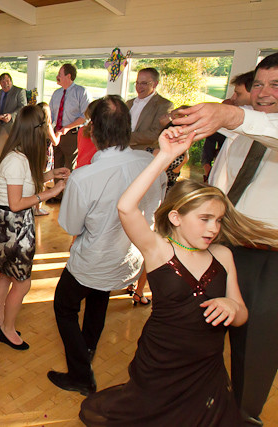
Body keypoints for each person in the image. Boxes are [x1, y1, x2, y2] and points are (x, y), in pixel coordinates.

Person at [77, 125, 278, 426]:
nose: (213, 228)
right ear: (176, 217)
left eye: (219, 221)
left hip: (204, 369)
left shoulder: (223, 256)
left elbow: (242, 315)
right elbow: (125, 206)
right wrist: (165, 156)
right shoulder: (159, 250)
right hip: (160, 363)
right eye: (205, 219)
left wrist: (232, 308)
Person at [173, 52, 278, 426]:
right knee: (205, 327)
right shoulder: (245, 131)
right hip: (224, 245)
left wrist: (233, 115)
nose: (263, 92)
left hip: (268, 260)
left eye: (275, 84)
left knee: (256, 344)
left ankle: (243, 416)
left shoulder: (262, 128)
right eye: (259, 84)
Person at [48, 96, 166, 396]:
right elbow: (154, 207)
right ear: (127, 129)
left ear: (94, 131)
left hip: (95, 257)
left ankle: (80, 373)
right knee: (98, 300)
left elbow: (72, 227)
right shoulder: (152, 163)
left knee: (64, 306)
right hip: (128, 256)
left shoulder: (85, 176)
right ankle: (86, 350)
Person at [0, 105, 68, 350]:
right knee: (22, 282)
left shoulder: (19, 156)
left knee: (5, 274)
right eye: (45, 125)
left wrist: (49, 174)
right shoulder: (16, 160)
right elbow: (16, 203)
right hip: (14, 228)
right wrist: (51, 192)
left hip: (7, 226)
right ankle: (7, 329)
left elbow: (23, 185)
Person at [49, 63, 91, 172]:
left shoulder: (81, 92)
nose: (57, 77)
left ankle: (68, 189)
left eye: (60, 74)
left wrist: (67, 128)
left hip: (72, 135)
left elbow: (85, 116)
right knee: (56, 167)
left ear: (68, 76)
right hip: (56, 134)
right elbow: (50, 115)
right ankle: (58, 189)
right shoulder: (56, 94)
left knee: (69, 168)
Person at [126, 67, 174, 150]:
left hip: (144, 153)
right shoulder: (129, 103)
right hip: (121, 150)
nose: (139, 87)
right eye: (137, 83)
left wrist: (124, 137)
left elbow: (155, 134)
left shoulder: (164, 104)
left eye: (144, 83)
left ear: (155, 84)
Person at [0, 73, 28, 157]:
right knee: (0, 154)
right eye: (3, 82)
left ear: (11, 81)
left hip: (13, 128)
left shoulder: (19, 92)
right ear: (0, 84)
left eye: (7, 81)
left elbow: (23, 107)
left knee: (14, 154)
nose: (5, 84)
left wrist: (11, 115)